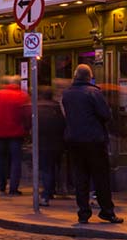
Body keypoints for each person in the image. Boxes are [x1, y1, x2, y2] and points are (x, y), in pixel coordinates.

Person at [62, 64, 122, 224]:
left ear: (75, 76)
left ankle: (83, 212)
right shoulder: (94, 93)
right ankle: (107, 211)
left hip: (73, 140)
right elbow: (105, 115)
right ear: (89, 77)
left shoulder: (66, 94)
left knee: (80, 177)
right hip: (94, 140)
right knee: (101, 176)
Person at [0, 75, 32, 196]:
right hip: (16, 133)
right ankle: (13, 188)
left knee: (1, 159)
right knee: (16, 160)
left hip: (0, 132)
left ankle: (1, 185)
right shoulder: (22, 96)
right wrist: (27, 130)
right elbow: (27, 115)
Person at [37, 85, 66, 206]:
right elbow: (62, 123)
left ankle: (46, 194)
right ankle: (52, 189)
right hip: (57, 142)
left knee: (46, 169)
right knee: (54, 167)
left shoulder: (39, 107)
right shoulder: (56, 106)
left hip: (43, 143)